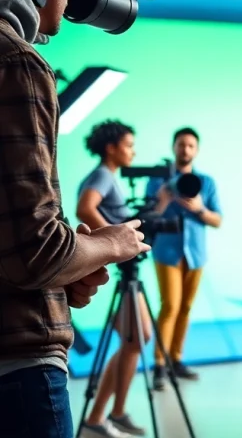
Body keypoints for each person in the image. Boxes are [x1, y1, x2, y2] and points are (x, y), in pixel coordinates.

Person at [0, 0, 149, 438]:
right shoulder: (16, 62)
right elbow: (33, 253)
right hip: (17, 375)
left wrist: (70, 266)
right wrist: (111, 243)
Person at [76, 120, 151, 438]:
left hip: (126, 272)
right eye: (129, 144)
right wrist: (116, 243)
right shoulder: (103, 175)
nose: (132, 150)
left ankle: (112, 413)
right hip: (122, 272)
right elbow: (84, 208)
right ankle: (100, 416)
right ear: (112, 148)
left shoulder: (108, 177)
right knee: (138, 337)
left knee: (137, 339)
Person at [146, 127, 223, 390]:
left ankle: (176, 360)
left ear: (196, 150)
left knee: (186, 308)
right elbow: (147, 216)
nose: (185, 150)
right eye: (181, 145)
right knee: (170, 306)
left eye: (190, 146)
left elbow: (218, 220)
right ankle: (159, 364)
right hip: (166, 252)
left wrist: (200, 209)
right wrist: (163, 201)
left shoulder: (207, 183)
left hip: (196, 254)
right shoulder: (159, 180)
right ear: (173, 147)